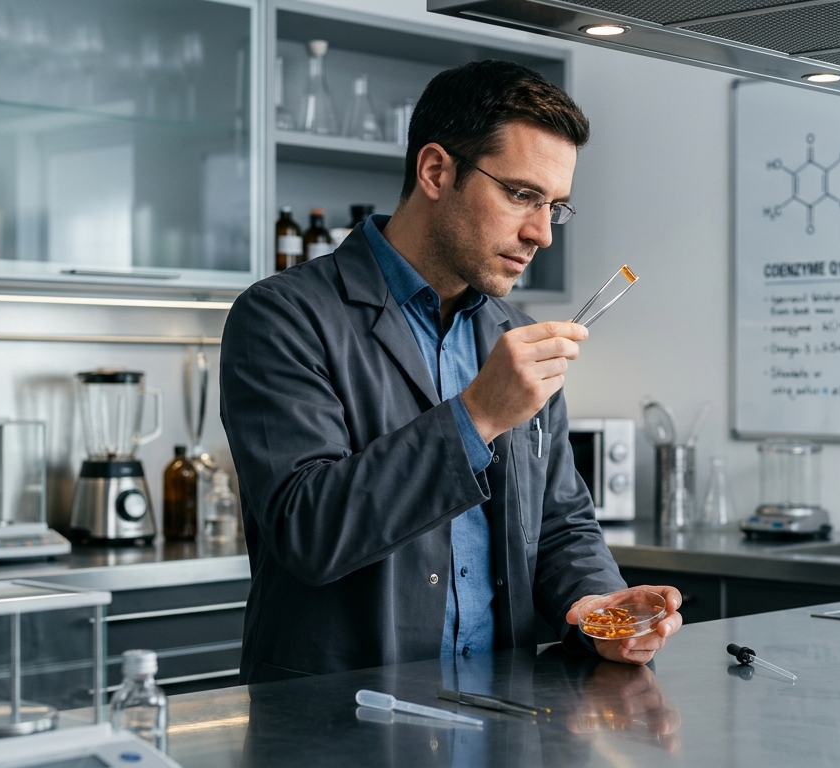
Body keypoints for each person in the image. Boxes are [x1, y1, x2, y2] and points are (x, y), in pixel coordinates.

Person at [221, 59, 681, 683]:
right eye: (522, 194)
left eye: (556, 206)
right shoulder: (282, 316)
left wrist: (593, 605)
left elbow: (558, 521)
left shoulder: (514, 333)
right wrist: (476, 417)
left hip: (497, 716)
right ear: (436, 171)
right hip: (338, 724)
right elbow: (305, 531)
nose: (543, 233)